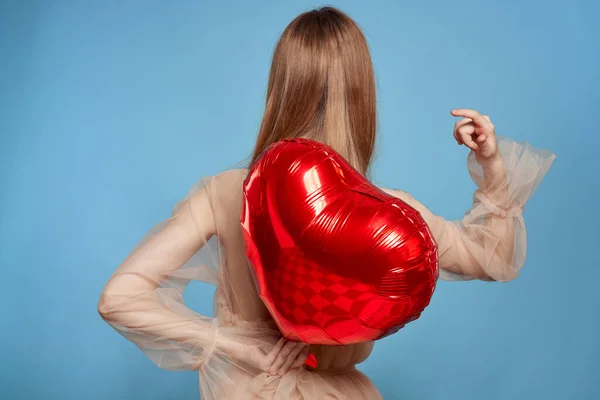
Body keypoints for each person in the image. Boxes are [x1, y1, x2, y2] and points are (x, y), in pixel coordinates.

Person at [97, 6, 555, 400]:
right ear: (362, 98)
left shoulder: (225, 193)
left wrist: (233, 345)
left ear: (279, 89)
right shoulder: (394, 218)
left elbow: (119, 297)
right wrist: (491, 165)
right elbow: (495, 256)